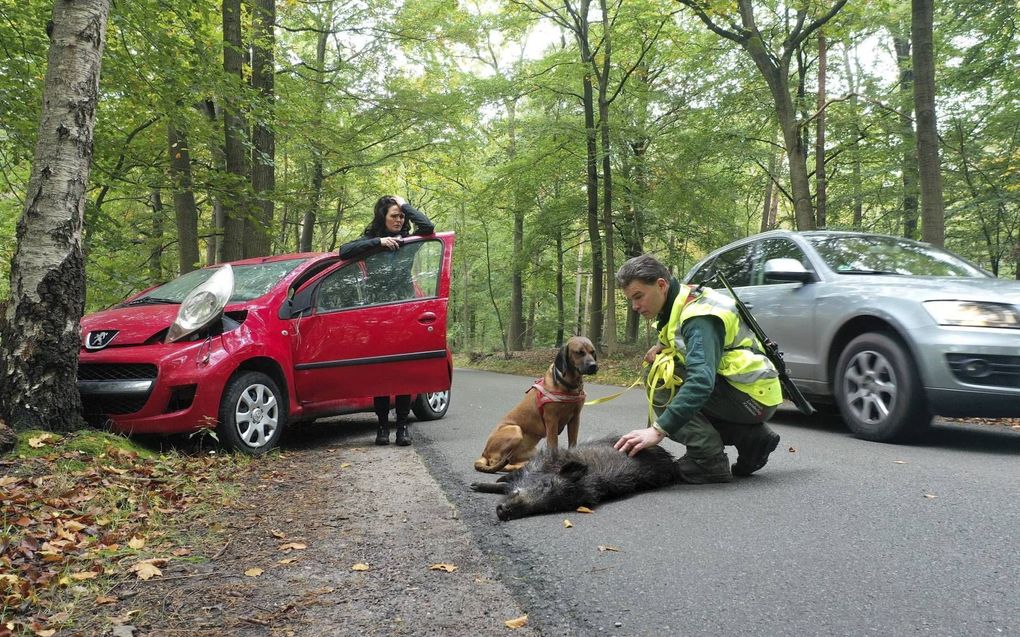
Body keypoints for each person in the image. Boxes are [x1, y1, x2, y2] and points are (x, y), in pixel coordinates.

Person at [613, 254, 783, 483]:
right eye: (631, 300)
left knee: (661, 378)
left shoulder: (698, 317)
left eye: (638, 296)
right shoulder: (683, 300)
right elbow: (683, 335)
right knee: (665, 367)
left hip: (751, 399)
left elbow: (701, 381)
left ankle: (707, 460)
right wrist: (661, 346)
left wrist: (658, 430)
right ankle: (751, 437)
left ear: (661, 285)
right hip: (748, 393)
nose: (634, 306)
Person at [339, 194, 434, 446]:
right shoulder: (371, 242)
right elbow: (343, 251)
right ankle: (382, 428)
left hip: (404, 312)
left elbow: (429, 227)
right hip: (377, 314)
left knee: (402, 373)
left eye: (401, 216)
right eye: (394, 215)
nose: (399, 219)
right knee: (381, 373)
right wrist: (378, 242)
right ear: (383, 217)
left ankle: (402, 427)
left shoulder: (408, 241)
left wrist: (404, 204)